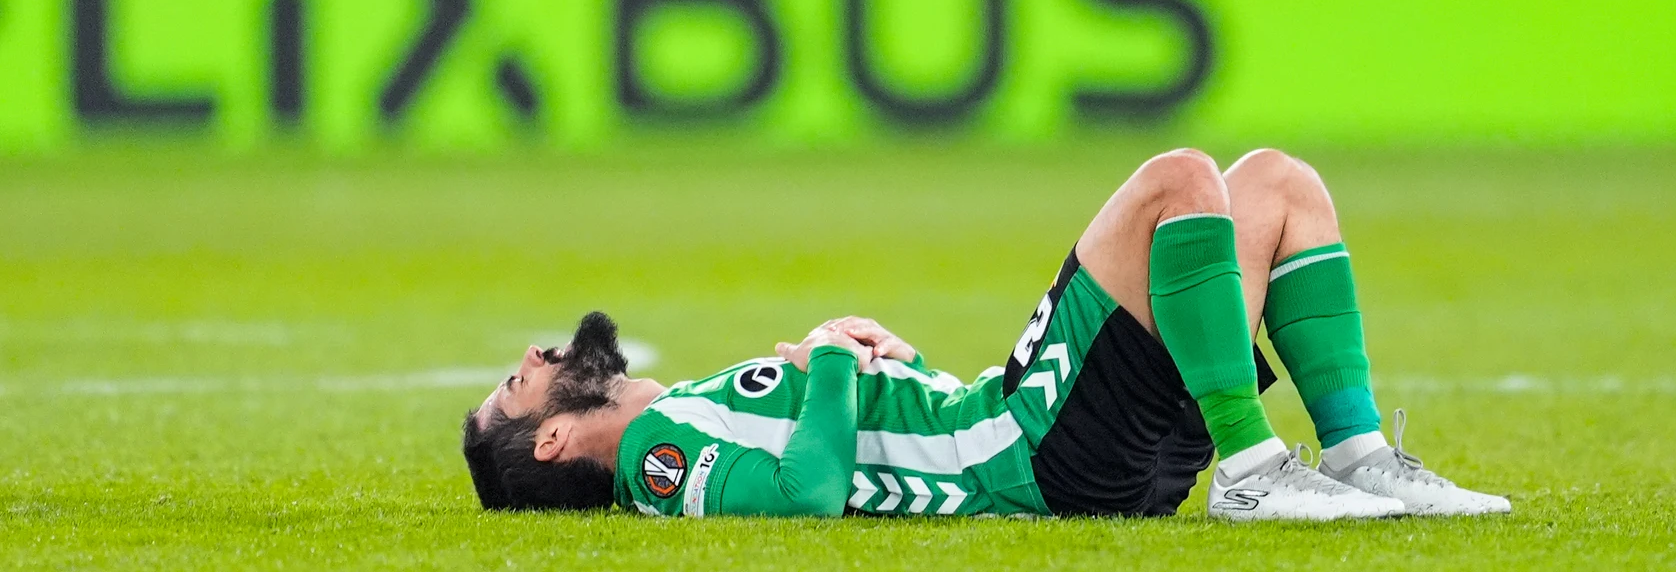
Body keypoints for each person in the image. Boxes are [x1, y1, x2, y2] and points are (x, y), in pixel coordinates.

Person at [462, 148, 1511, 520]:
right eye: (518, 386)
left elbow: (878, 452)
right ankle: (1249, 468)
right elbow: (810, 497)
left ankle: (1363, 459)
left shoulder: (685, 413)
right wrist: (829, 359)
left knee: (1275, 184)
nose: (540, 358)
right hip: (1028, 452)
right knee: (1177, 182)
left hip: (1038, 446)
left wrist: (896, 362)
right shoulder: (652, 460)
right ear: (550, 443)